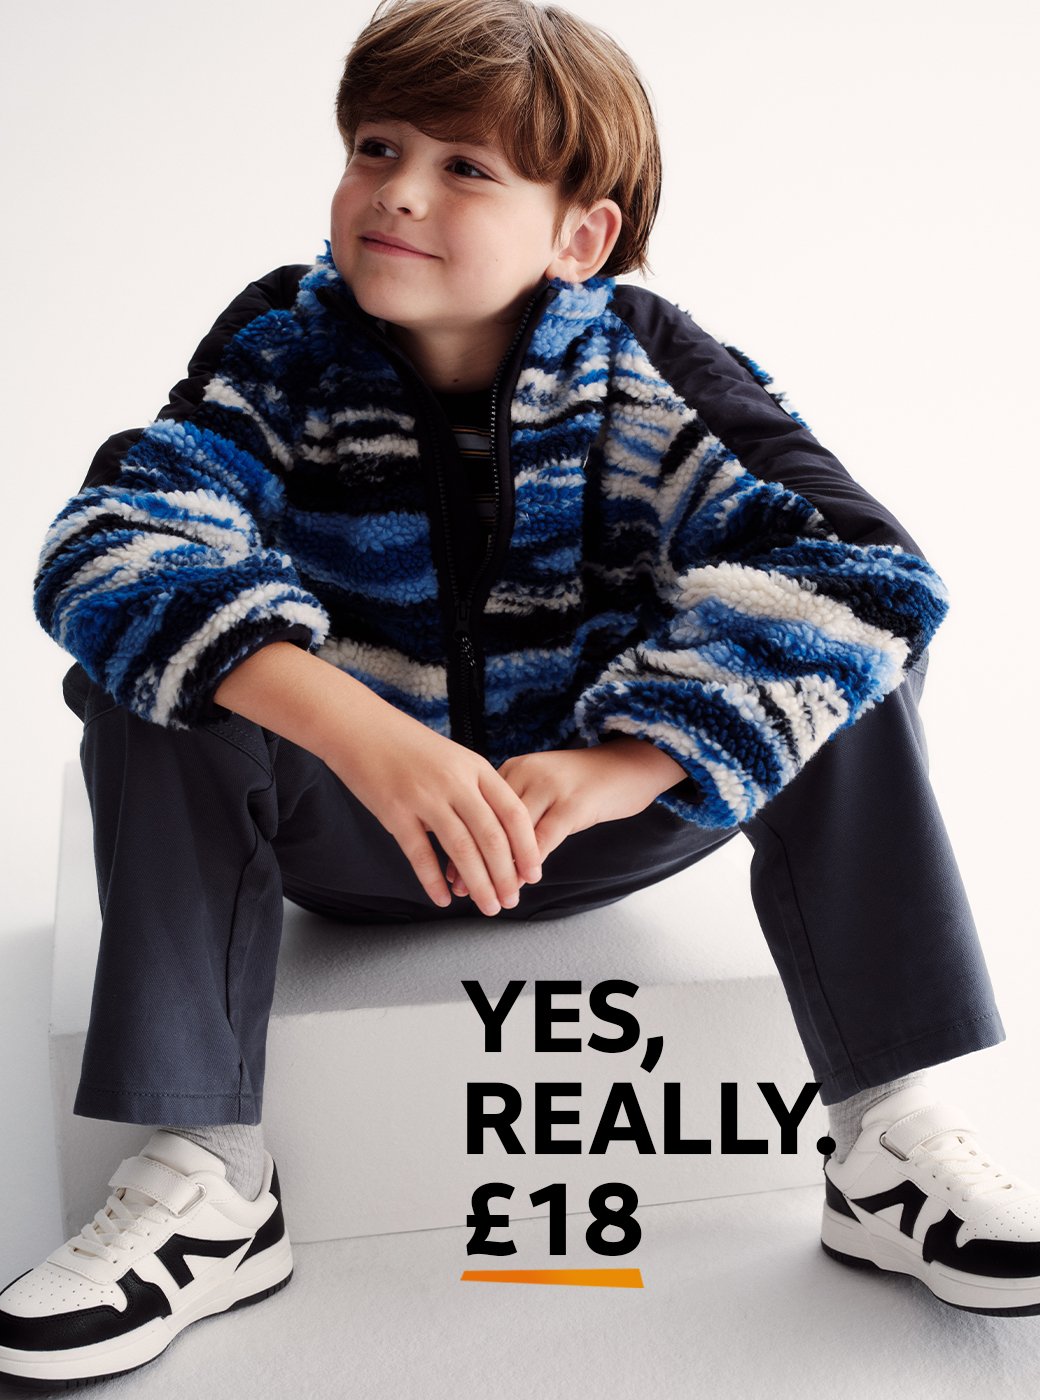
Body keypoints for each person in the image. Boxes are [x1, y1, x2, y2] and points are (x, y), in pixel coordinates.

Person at [2, 0, 1036, 1385]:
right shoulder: (280, 349)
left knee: (846, 651)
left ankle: (891, 1142)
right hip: (357, 838)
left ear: (581, 235)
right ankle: (207, 1182)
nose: (399, 192)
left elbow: (871, 573)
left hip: (591, 821)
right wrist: (362, 732)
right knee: (148, 669)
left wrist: (620, 764)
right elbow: (111, 545)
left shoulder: (652, 358)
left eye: (466, 167)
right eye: (376, 147)